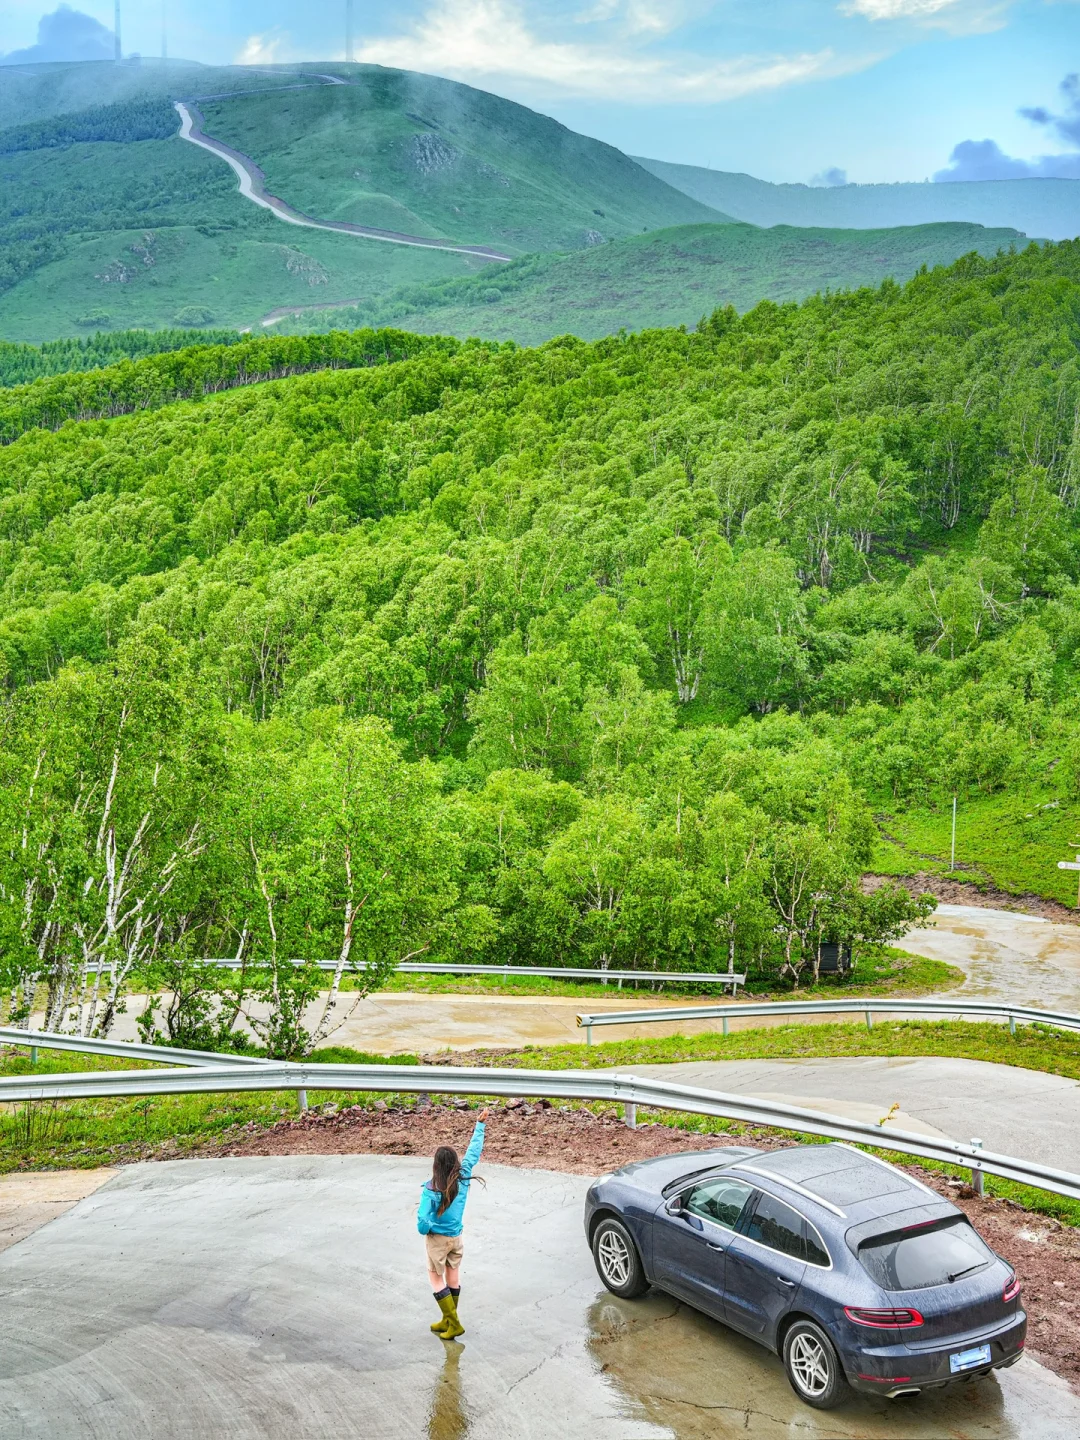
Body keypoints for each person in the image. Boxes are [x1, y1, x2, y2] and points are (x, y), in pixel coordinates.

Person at [418, 1107, 489, 1340]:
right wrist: (480, 1125)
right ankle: (448, 1320)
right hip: (456, 1238)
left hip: (437, 1241)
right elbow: (473, 1152)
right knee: (453, 1277)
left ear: (436, 1166)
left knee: (436, 1279)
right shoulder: (464, 1176)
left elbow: (421, 1224)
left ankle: (455, 1323)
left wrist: (427, 1228)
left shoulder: (432, 1190)